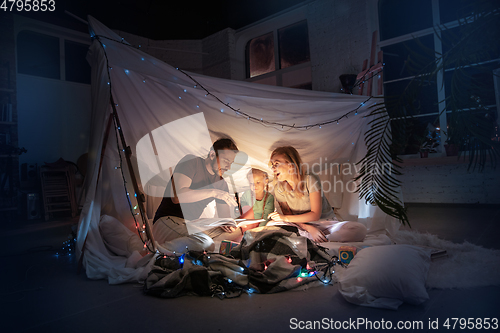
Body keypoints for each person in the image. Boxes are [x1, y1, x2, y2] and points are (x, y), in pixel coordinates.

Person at [152, 138, 245, 253]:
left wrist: (226, 223)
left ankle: (203, 248)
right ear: (212, 155)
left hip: (192, 225)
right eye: (226, 160)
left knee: (239, 232)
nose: (228, 167)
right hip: (168, 220)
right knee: (205, 242)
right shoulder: (192, 162)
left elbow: (224, 218)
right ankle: (157, 252)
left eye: (231, 163)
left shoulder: (221, 183)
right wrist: (213, 192)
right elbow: (177, 197)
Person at [267, 146, 367, 243]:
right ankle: (313, 238)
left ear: (290, 164)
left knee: (359, 229)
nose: (273, 168)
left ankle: (321, 238)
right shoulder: (279, 188)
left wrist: (283, 218)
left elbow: (315, 215)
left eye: (276, 164)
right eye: (272, 165)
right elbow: (289, 216)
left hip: (325, 223)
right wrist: (308, 228)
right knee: (270, 226)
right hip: (300, 225)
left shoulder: (310, 179)